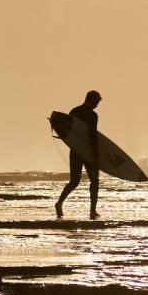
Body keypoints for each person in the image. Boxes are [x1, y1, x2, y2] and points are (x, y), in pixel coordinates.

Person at [57, 90, 104, 219]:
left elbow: (68, 133)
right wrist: (96, 157)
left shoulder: (74, 111)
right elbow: (92, 136)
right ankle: (92, 211)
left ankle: (59, 203)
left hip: (75, 151)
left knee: (74, 182)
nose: (97, 105)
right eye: (96, 102)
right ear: (91, 100)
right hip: (88, 153)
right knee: (94, 181)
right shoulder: (92, 115)